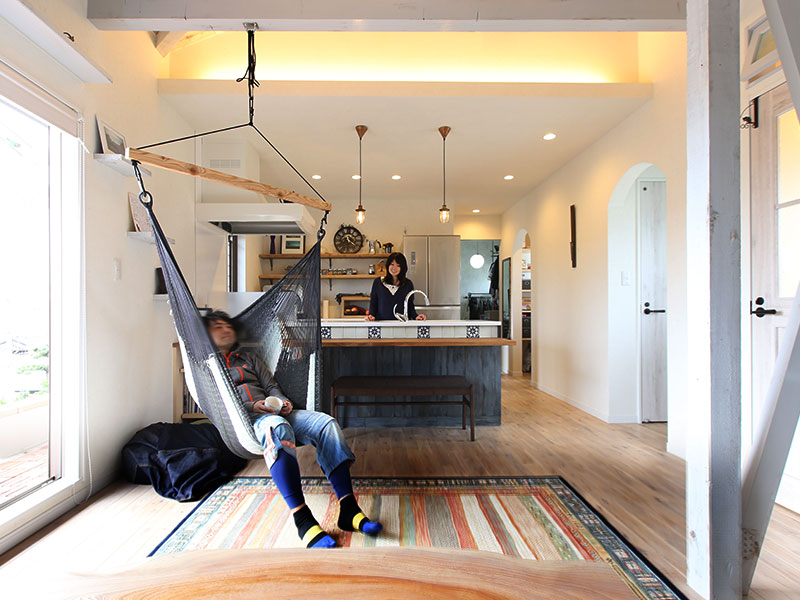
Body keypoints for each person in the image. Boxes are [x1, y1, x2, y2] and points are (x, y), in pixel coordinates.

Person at [203, 310, 382, 548]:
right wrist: (253, 406)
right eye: (218, 327)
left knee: (326, 424)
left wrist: (283, 402)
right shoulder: (210, 368)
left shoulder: (249, 359)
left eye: (227, 325)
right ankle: (302, 519)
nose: (225, 330)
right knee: (278, 428)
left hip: (276, 412)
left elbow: (270, 386)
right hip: (248, 420)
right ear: (206, 335)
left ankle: (348, 508)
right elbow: (216, 403)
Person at [365, 252, 427, 321]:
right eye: (392, 264)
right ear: (388, 265)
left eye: (398, 265)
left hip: (401, 324)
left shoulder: (408, 284)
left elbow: (410, 306)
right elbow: (373, 303)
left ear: (402, 268)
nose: (394, 268)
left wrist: (416, 316)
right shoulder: (378, 282)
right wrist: (371, 315)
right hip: (382, 323)